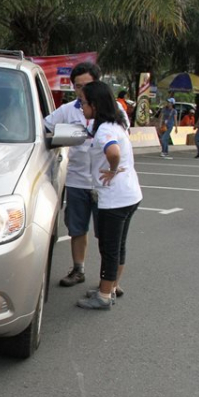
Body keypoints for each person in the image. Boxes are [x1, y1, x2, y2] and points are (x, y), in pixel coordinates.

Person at [44, 61, 127, 295]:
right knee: (77, 228)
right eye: (77, 86)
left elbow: (119, 143)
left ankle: (109, 281)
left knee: (107, 235)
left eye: (86, 86)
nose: (81, 91)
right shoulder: (68, 110)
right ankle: (78, 269)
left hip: (104, 184)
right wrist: (66, 136)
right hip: (77, 179)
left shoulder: (115, 112)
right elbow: (45, 128)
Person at [77, 81, 142, 310]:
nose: (81, 106)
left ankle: (104, 295)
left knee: (109, 247)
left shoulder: (104, 129)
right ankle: (111, 287)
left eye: (83, 102)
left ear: (94, 105)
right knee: (119, 245)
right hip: (130, 194)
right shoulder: (117, 123)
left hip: (114, 198)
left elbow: (112, 152)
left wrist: (112, 170)